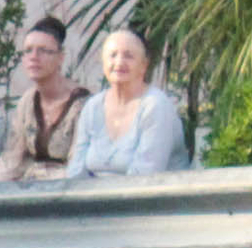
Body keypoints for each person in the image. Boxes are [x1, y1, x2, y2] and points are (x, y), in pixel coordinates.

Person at [65, 29, 189, 179]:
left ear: (144, 65)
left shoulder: (155, 106)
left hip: (150, 198)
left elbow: (145, 176)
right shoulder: (93, 107)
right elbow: (76, 170)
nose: (119, 62)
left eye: (128, 56)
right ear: (103, 63)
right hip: (95, 199)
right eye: (112, 55)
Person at [0, 15, 91, 184]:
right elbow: (12, 160)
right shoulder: (28, 101)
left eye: (43, 50)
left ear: (60, 57)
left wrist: (37, 177)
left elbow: (78, 168)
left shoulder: (82, 104)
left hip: (70, 193)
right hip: (31, 192)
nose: (34, 56)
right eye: (28, 50)